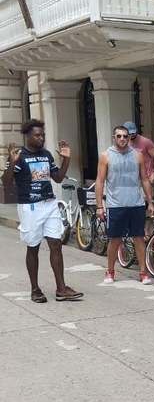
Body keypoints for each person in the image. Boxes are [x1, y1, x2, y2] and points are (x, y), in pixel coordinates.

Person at [1, 119, 83, 302]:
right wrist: (12, 163)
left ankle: (61, 289)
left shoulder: (46, 154)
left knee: (56, 244)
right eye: (37, 135)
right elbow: (6, 183)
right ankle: (35, 289)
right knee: (33, 246)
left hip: (50, 204)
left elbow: (58, 178)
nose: (41, 138)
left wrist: (66, 159)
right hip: (30, 206)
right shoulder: (19, 156)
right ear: (28, 136)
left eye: (43, 135)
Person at [95, 125, 154, 285]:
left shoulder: (137, 155)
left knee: (138, 237)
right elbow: (100, 181)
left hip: (136, 203)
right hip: (116, 205)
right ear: (113, 137)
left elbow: (144, 179)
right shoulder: (106, 156)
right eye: (119, 136)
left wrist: (150, 201)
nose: (122, 139)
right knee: (114, 239)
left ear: (129, 138)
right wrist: (99, 205)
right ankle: (110, 271)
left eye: (125, 136)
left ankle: (143, 272)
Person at [124, 121, 154, 239]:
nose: (131, 136)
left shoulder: (145, 142)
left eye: (133, 133)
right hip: (132, 180)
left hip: (146, 177)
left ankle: (146, 232)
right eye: (129, 134)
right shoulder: (125, 143)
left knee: (147, 205)